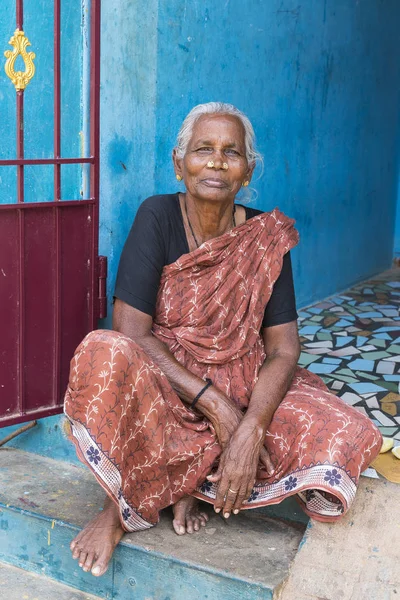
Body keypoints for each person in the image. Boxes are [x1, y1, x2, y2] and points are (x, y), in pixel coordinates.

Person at [64, 102, 382, 577]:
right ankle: (121, 510)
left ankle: (184, 484)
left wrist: (251, 425)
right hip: (167, 381)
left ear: (248, 170)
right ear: (179, 163)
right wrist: (216, 405)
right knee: (103, 353)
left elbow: (283, 349)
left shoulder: (265, 238)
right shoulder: (157, 216)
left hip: (242, 377)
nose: (216, 162)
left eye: (231, 153)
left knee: (342, 429)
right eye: (203, 150)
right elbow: (132, 331)